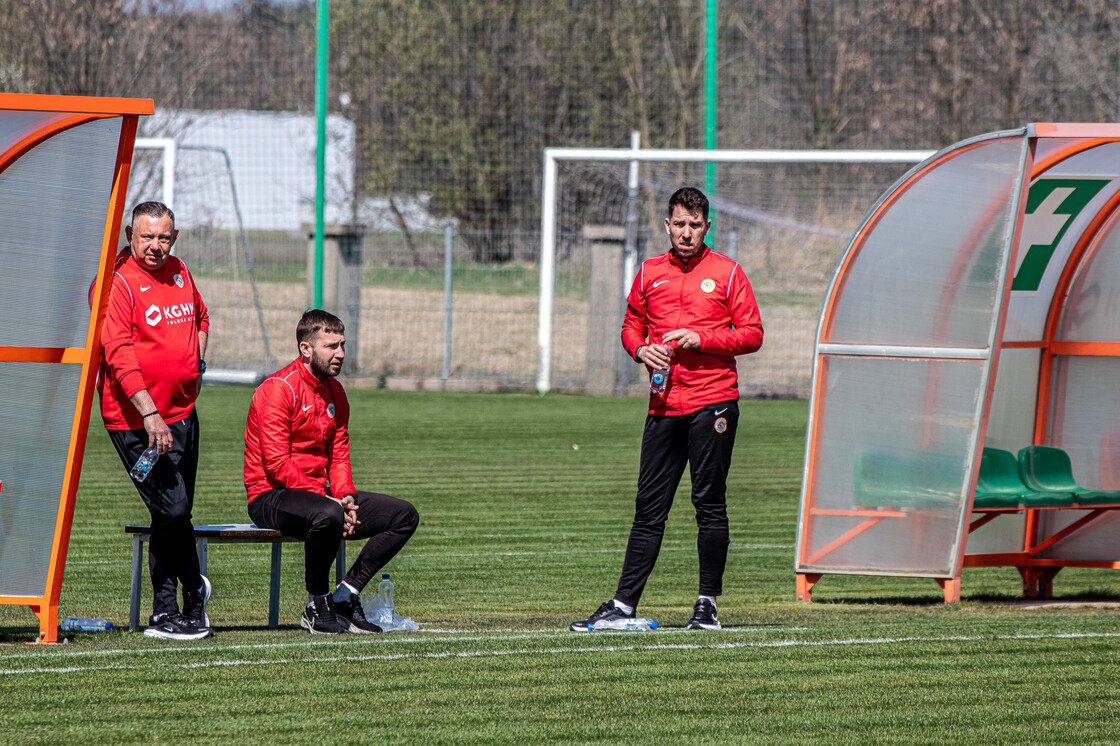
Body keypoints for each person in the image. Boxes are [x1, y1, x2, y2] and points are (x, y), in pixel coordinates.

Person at [570, 186, 764, 632]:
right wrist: (640, 350)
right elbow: (630, 323)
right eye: (680, 224)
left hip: (713, 401)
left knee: (708, 503)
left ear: (707, 227)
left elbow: (752, 334)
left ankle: (706, 605)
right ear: (667, 225)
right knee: (648, 507)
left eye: (695, 225)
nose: (687, 233)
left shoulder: (729, 273)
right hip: (663, 405)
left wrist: (704, 339)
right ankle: (623, 605)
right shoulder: (648, 272)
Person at [243, 309, 420, 634]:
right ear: (306, 349)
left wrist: (346, 497)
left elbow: (339, 455)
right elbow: (277, 463)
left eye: (342, 345)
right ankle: (316, 603)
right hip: (270, 496)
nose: (339, 354)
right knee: (327, 514)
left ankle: (346, 594)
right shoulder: (278, 389)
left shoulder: (335, 392)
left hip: (321, 498)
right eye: (331, 346)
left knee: (403, 515)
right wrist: (329, 500)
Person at [98, 201, 212, 640]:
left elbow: (201, 318)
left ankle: (168, 614)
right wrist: (150, 414)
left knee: (169, 514)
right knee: (174, 506)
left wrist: (196, 366)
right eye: (147, 237)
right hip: (136, 422)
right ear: (130, 234)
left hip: (182, 413)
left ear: (175, 238)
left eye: (163, 237)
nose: (155, 246)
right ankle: (194, 589)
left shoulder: (181, 270)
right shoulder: (118, 283)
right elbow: (119, 353)